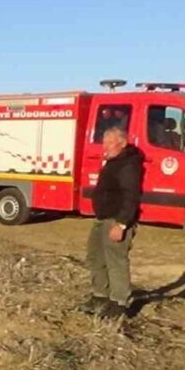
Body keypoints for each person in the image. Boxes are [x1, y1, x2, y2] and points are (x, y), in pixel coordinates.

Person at [81, 127, 144, 319]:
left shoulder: (128, 164)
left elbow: (130, 196)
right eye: (104, 142)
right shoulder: (114, 162)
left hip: (116, 219)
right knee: (95, 256)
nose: (104, 147)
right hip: (102, 218)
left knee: (115, 260)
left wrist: (122, 224)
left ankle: (119, 303)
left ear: (122, 143)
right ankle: (100, 296)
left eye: (109, 143)